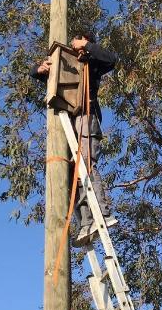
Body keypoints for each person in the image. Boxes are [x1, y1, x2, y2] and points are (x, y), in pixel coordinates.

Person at [32, 28, 117, 247]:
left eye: (77, 42)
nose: (74, 46)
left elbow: (112, 59)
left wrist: (87, 47)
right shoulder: (71, 63)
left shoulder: (93, 63)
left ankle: (104, 214)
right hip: (68, 124)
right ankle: (86, 222)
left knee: (86, 165)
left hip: (87, 117)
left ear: (85, 40)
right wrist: (38, 70)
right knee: (70, 175)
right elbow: (55, 81)